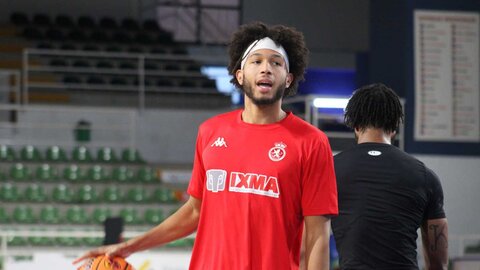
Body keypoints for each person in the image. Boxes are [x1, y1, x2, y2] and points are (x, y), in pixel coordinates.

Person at [73, 21, 338, 270]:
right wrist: (130, 245)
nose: (266, 68)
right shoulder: (211, 132)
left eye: (276, 63)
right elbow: (194, 211)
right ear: (240, 75)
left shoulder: (311, 142)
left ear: (288, 78)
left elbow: (317, 235)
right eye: (256, 61)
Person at [331, 83, 448, 270]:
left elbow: (308, 243)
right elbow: (438, 263)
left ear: (356, 125)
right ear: (394, 127)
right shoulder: (425, 176)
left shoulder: (330, 171)